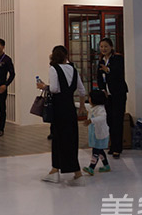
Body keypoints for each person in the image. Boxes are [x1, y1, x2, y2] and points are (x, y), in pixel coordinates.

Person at [37, 45, 86, 185]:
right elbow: (82, 90)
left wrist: (44, 86)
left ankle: (60, 171)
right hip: (70, 108)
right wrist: (82, 106)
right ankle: (67, 171)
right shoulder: (73, 69)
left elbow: (54, 89)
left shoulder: (54, 69)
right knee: (71, 139)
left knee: (58, 138)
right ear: (66, 55)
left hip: (58, 108)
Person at [97, 37, 129, 159]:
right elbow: (99, 77)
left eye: (106, 46)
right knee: (109, 120)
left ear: (111, 47)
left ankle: (117, 148)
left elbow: (118, 72)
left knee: (117, 120)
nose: (103, 49)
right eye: (101, 46)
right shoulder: (101, 60)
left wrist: (108, 70)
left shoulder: (118, 58)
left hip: (118, 94)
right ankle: (112, 145)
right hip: (107, 95)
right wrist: (102, 89)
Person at [82, 89, 111, 176]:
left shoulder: (100, 109)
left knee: (95, 151)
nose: (89, 99)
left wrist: (91, 120)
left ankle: (91, 168)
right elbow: (83, 105)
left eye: (90, 97)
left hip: (100, 134)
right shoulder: (92, 107)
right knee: (100, 150)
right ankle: (106, 166)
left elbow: (102, 118)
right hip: (95, 134)